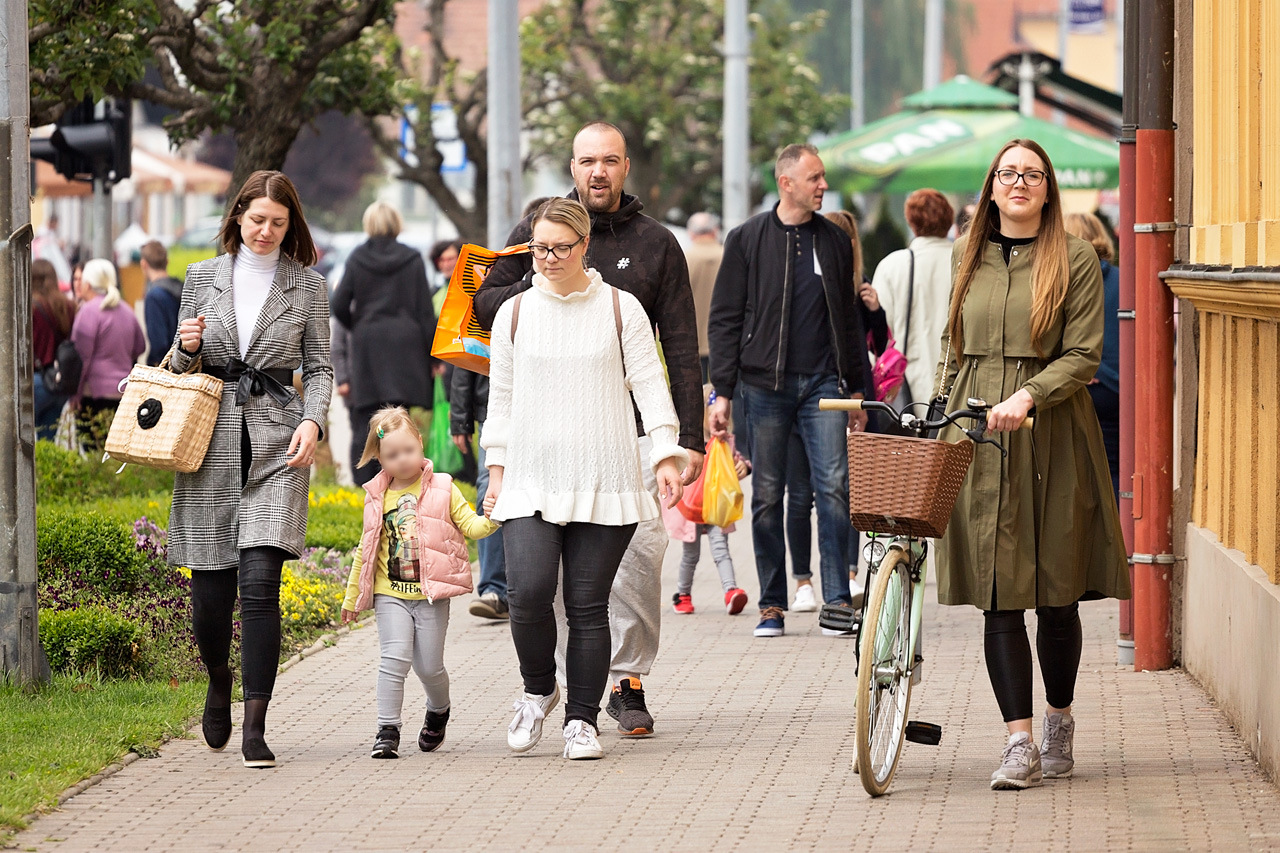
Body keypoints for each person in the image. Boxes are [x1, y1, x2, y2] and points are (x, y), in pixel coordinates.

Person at [474, 122, 704, 737]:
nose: (597, 172)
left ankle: (625, 687)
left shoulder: (656, 245)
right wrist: (542, 281)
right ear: (571, 168)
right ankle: (549, 686)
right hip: (540, 444)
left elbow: (678, 349)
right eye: (585, 162)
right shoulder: (535, 231)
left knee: (633, 572)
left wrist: (682, 444)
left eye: (608, 161)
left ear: (626, 167)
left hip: (622, 440)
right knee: (538, 585)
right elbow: (484, 300)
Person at [933, 139, 1130, 790]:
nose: (1019, 183)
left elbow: (1083, 354)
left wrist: (1028, 393)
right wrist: (937, 408)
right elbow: (952, 347)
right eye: (1008, 173)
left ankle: (1059, 717)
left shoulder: (1073, 258)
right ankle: (1019, 742)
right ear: (991, 188)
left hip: (1052, 435)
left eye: (1033, 175)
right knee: (998, 595)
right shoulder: (969, 257)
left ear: (1047, 191)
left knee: (1055, 596)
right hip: (978, 435)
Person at [169, 169, 333, 769]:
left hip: (277, 445)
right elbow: (178, 370)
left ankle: (257, 725)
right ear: (237, 216)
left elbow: (319, 367)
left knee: (261, 589)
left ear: (291, 227)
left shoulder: (307, 285)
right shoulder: (201, 278)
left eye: (278, 223)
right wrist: (186, 348)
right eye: (257, 219)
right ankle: (218, 679)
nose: (266, 231)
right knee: (210, 601)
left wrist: (312, 422)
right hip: (209, 445)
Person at [707, 143, 871, 640]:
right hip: (764, 386)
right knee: (767, 496)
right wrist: (723, 392)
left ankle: (836, 601)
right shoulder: (746, 239)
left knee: (835, 489)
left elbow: (849, 320)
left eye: (823, 178)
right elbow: (725, 318)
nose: (823, 186)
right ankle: (772, 604)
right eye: (815, 178)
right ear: (787, 183)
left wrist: (856, 392)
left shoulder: (834, 241)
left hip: (823, 385)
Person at [341, 407, 499, 759]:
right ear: (379, 458)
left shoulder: (443, 488)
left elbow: (470, 527)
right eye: (392, 455)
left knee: (428, 667)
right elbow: (365, 550)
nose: (402, 460)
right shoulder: (377, 496)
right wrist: (353, 597)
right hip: (390, 594)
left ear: (420, 444)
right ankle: (387, 730)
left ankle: (439, 709)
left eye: (408, 451)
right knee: (393, 659)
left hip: (430, 595)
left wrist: (491, 518)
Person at [781, 210, 883, 618]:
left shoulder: (855, 290)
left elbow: (873, 342)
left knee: (842, 490)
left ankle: (846, 575)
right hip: (807, 397)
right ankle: (804, 581)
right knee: (802, 493)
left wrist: (874, 310)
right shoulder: (808, 285)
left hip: (849, 398)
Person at [452, 198, 550, 621]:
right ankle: (493, 588)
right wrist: (460, 417)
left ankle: (533, 586)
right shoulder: (507, 273)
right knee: (489, 488)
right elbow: (469, 351)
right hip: (496, 403)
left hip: (546, 404)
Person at [331, 202, 436, 486]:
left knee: (365, 418)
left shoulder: (357, 258)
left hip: (368, 347)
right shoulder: (412, 258)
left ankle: (364, 485)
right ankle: (398, 481)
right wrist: (433, 358)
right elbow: (425, 312)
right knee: (398, 418)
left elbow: (338, 303)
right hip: (406, 347)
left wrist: (359, 324)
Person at [665, 388, 750, 616]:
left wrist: (745, 465)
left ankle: (731, 591)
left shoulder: (723, 443)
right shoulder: (686, 443)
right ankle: (683, 595)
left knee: (721, 549)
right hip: (691, 508)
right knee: (690, 554)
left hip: (715, 506)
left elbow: (736, 462)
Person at [871, 189, 955, 408]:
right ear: (949, 220)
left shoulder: (892, 265)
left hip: (907, 385)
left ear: (911, 222)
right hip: (959, 384)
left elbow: (878, 332)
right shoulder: (966, 263)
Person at [1064, 211, 1121, 500]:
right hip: (1117, 392)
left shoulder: (1060, 281)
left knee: (1069, 473)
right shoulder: (1124, 280)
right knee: (1114, 471)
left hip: (1072, 386)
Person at [70, 258, 146, 447]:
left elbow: (81, 358)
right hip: (123, 394)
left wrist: (76, 395)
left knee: (92, 454)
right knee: (114, 455)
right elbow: (140, 347)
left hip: (93, 395)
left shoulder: (88, 311)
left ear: (87, 284)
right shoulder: (127, 311)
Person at [30, 258, 75, 440]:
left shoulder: (31, 307)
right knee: (47, 438)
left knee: (22, 439)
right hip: (60, 382)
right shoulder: (67, 306)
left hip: (36, 379)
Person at [685, 212, 723, 383]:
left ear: (691, 233)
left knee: (697, 396)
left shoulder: (685, 258)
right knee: (724, 397)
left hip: (692, 342)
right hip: (725, 342)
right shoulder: (729, 255)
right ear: (715, 231)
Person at [140, 240, 185, 366]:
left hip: (166, 366)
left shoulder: (154, 296)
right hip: (185, 360)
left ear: (144, 264)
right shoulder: (182, 288)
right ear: (167, 262)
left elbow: (159, 342)